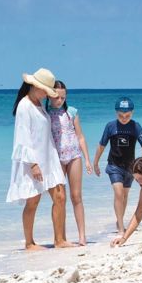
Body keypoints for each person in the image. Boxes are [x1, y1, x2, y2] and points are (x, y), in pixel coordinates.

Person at [6, 68, 74, 250]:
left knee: (60, 197)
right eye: (46, 91)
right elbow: (23, 137)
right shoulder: (25, 105)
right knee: (33, 202)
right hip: (34, 162)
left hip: (49, 159)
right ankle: (29, 243)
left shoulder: (39, 105)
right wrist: (33, 164)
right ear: (35, 86)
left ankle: (59, 240)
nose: (47, 95)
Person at [92, 96, 142, 235]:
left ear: (132, 112)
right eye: (120, 115)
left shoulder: (136, 126)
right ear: (116, 113)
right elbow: (101, 145)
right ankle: (121, 227)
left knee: (124, 195)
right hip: (114, 165)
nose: (124, 118)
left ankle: (120, 221)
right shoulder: (110, 126)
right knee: (118, 193)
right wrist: (95, 162)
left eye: (127, 115)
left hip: (130, 167)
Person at [46, 81, 92, 245]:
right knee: (60, 199)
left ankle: (82, 236)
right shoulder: (45, 113)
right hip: (56, 159)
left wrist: (87, 159)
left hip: (74, 156)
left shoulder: (71, 112)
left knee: (76, 196)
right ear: (49, 95)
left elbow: (80, 136)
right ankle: (61, 238)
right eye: (56, 97)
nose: (59, 100)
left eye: (63, 97)